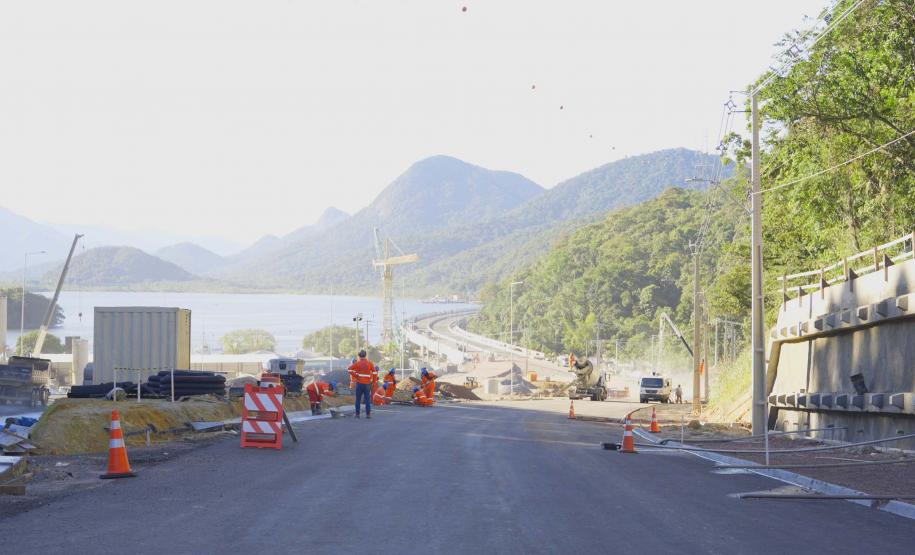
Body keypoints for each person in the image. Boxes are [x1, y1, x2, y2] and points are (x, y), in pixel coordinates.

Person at [348, 350, 378, 419]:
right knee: (367, 399)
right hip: (367, 384)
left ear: (359, 356)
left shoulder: (358, 363)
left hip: (359, 384)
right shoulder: (369, 363)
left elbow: (349, 369)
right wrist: (374, 381)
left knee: (358, 399)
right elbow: (374, 373)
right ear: (365, 355)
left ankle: (357, 414)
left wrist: (356, 376)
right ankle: (368, 415)